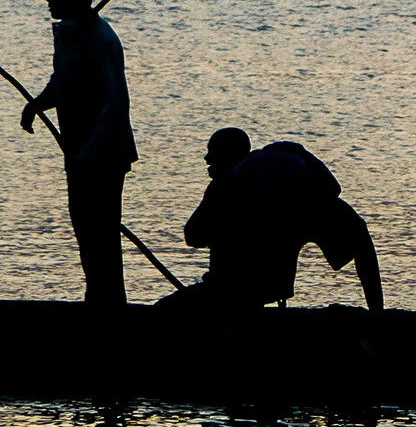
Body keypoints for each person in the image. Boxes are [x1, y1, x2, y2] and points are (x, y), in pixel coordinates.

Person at [165, 127, 384, 312]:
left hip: (230, 291)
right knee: (358, 234)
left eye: (213, 153)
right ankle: (378, 315)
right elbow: (335, 192)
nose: (206, 159)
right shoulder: (297, 173)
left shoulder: (226, 185)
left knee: (165, 313)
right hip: (271, 288)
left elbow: (193, 236)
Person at [21, 0, 138, 307]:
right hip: (79, 151)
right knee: (86, 231)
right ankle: (97, 299)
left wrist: (89, 154)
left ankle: (109, 305)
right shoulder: (71, 35)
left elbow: (115, 104)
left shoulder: (100, 40)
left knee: (102, 232)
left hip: (103, 155)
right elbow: (64, 81)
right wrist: (37, 105)